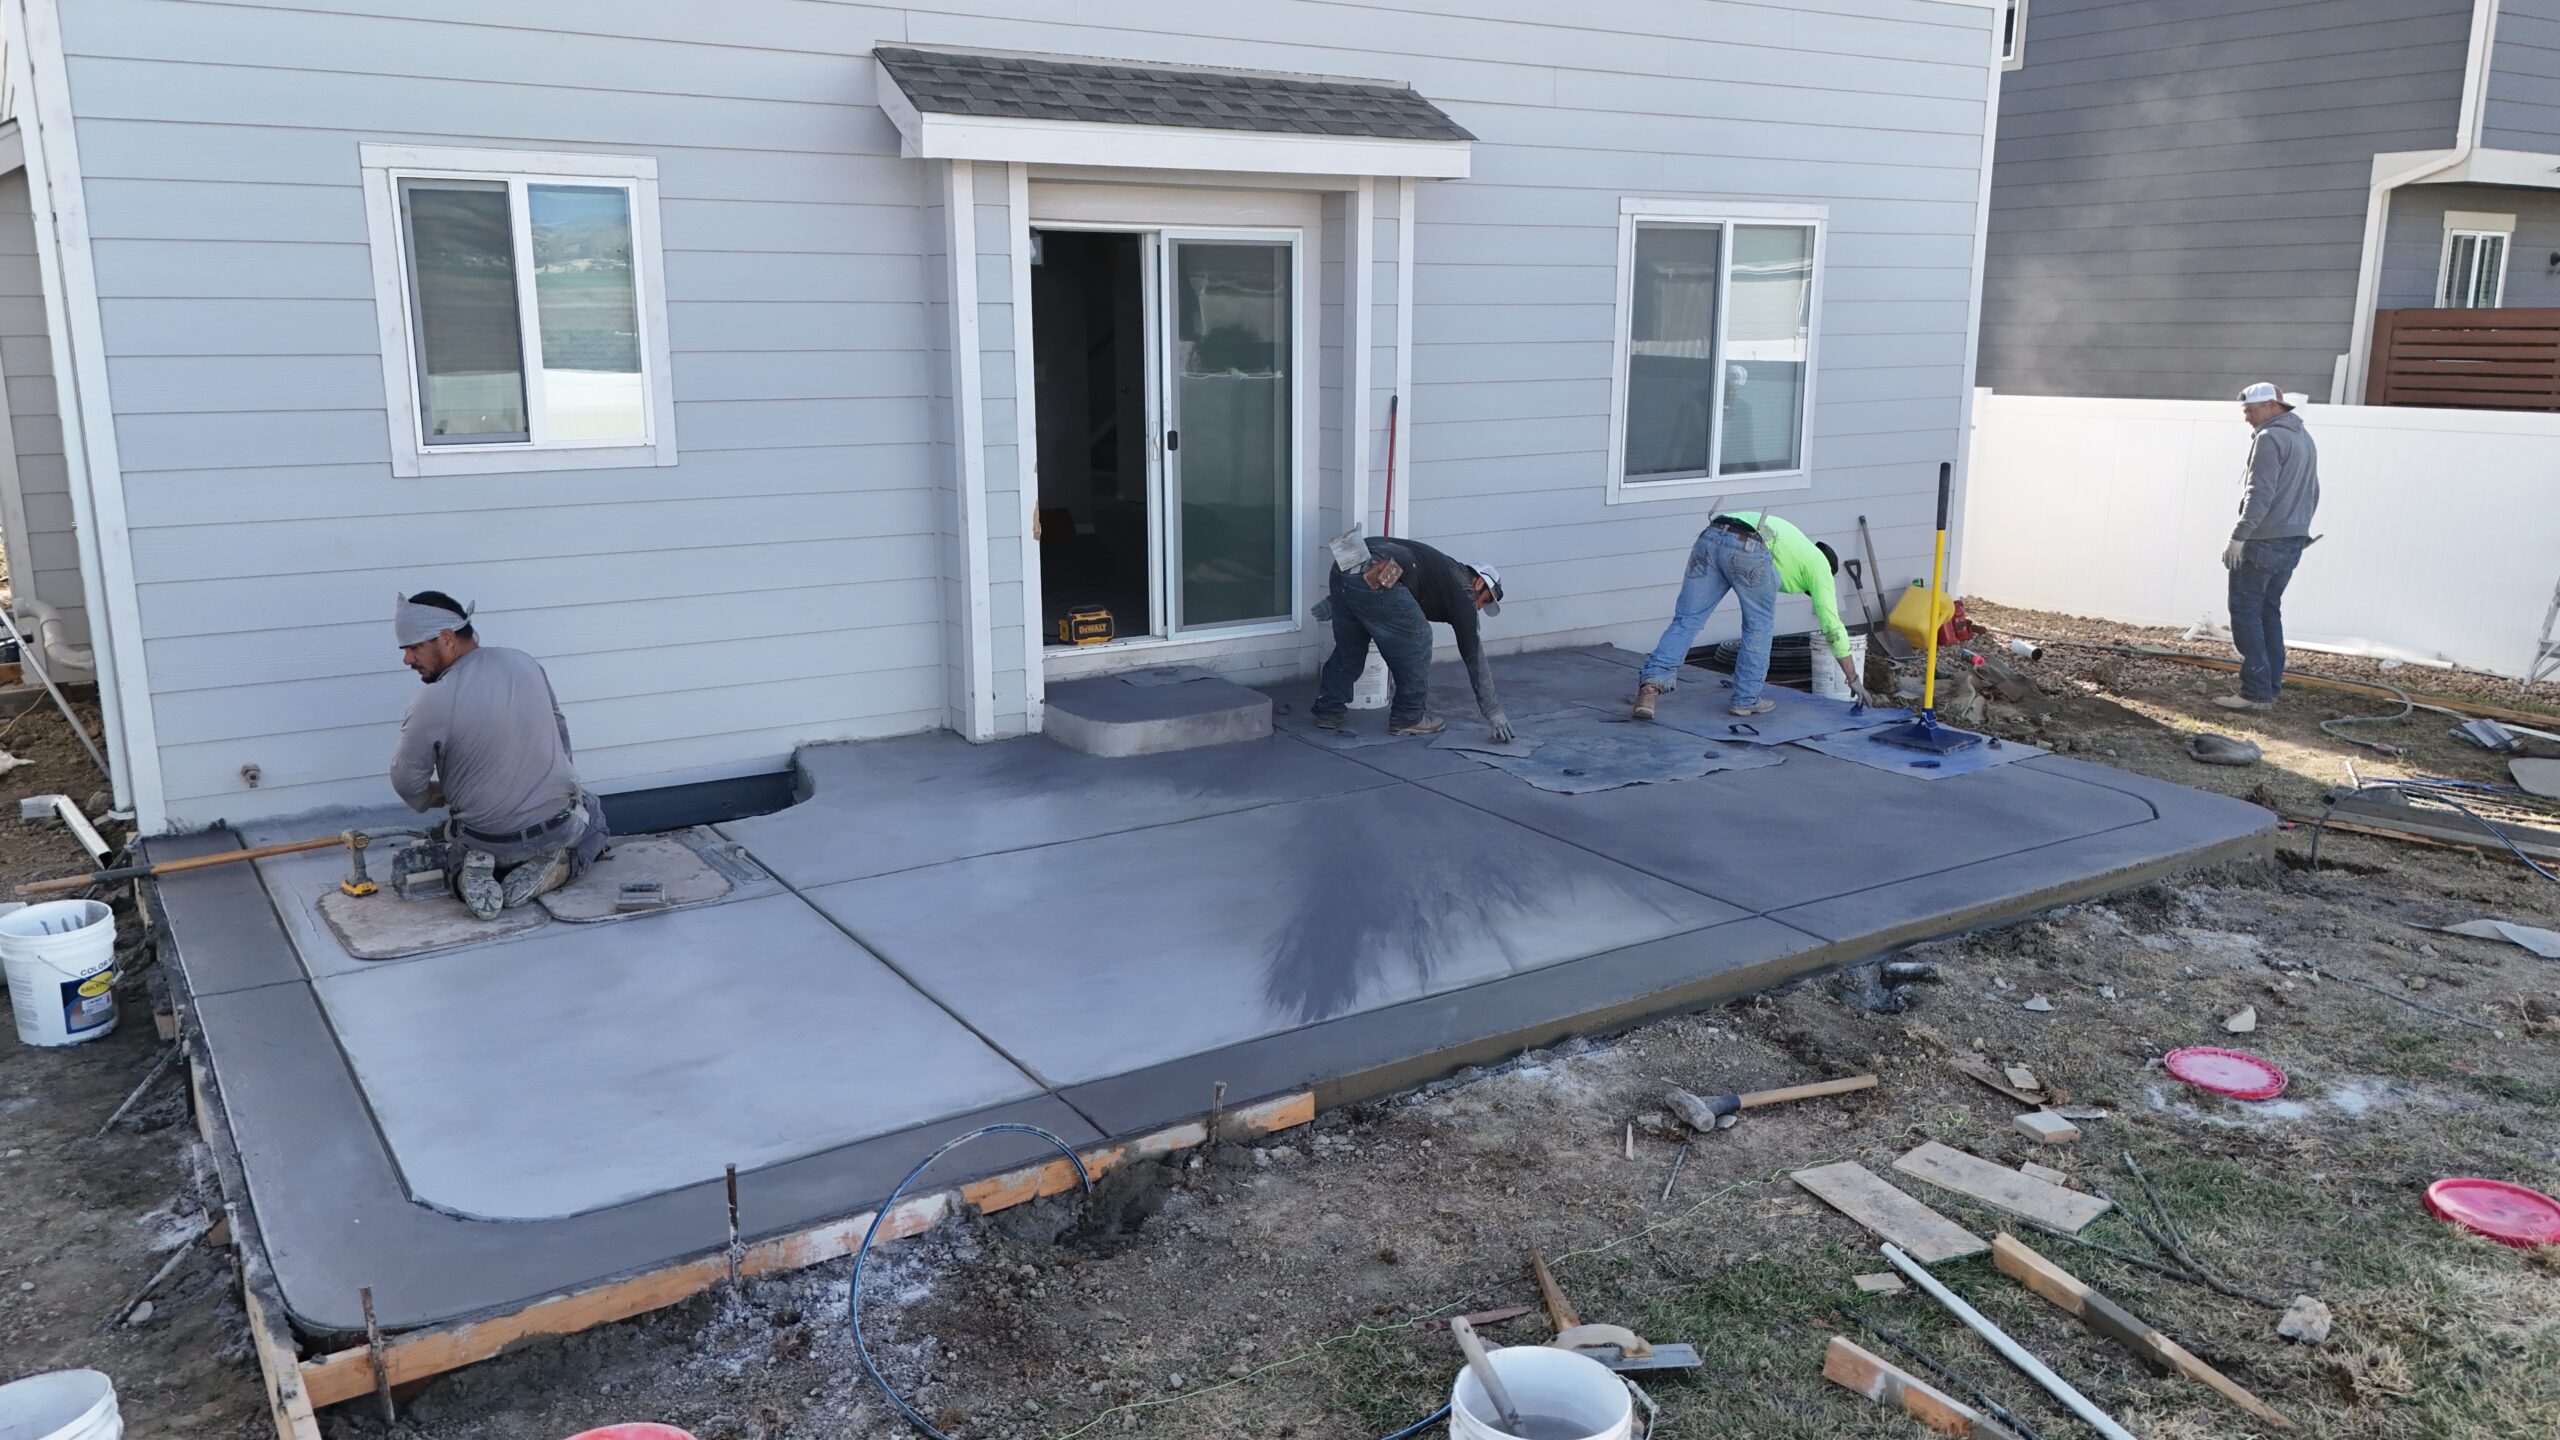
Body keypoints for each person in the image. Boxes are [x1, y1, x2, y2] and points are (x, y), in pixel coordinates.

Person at [388, 591, 608, 920]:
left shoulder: (431, 700)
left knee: (458, 841)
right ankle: (559, 866)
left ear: (446, 638)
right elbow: (559, 727)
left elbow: (406, 782)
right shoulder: (524, 661)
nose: (407, 659)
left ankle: (465, 875)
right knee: (593, 815)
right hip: (555, 827)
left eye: (414, 647)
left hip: (487, 840)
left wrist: (437, 795)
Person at [1632, 510, 1860, 720]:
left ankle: (1650, 688)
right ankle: (1745, 700)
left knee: (1687, 619)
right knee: (1758, 628)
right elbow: (1832, 626)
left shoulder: (1795, 548)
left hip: (1710, 536)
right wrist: (1853, 678)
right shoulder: (1821, 569)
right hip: (1748, 544)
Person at [1311, 537, 1513, 742]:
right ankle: (1408, 717)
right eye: (1485, 599)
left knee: (1350, 647)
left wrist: (1340, 598)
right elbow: (1474, 655)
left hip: (1348, 557)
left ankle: (1329, 710)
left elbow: (1367, 569)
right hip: (1375, 567)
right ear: (1478, 581)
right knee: (1419, 639)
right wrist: (1493, 711)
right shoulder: (1463, 590)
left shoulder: (1441, 571)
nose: (1479, 607)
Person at [2218, 383, 2319, 713]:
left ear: (2272, 406)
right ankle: (2270, 687)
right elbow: (2312, 493)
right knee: (2268, 613)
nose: (2246, 417)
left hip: (2262, 542)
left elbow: (2258, 495)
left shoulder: (2269, 438)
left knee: (2246, 614)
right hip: (2291, 541)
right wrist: (2298, 531)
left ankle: (2255, 694)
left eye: (2250, 410)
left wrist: (2239, 536)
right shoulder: (2303, 437)